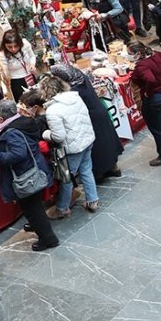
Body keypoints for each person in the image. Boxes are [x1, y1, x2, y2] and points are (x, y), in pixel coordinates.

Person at [0, 99, 59, 251]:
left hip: (25, 175)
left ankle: (48, 239)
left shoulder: (11, 132)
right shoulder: (22, 122)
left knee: (32, 208)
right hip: (33, 168)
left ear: (1, 118)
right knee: (34, 206)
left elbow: (18, 154)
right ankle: (38, 226)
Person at [50, 64, 123, 183]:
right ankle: (114, 168)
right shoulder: (81, 77)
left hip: (91, 117)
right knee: (108, 141)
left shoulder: (74, 89)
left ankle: (99, 173)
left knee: (98, 146)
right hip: (100, 112)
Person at [40, 75, 98, 218]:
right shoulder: (76, 98)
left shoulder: (52, 110)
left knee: (66, 179)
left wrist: (46, 134)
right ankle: (92, 201)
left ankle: (62, 208)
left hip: (72, 148)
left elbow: (58, 137)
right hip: (87, 140)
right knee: (86, 170)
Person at [0, 30, 37, 100]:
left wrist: (32, 64)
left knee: (37, 98)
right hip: (16, 81)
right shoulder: (2, 54)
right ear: (4, 45)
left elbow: (32, 56)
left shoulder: (25, 44)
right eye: (9, 47)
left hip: (30, 76)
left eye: (16, 46)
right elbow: (5, 72)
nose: (13, 49)